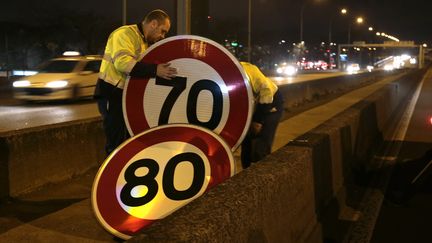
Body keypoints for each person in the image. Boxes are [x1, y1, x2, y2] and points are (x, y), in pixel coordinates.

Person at [94, 9, 177, 155]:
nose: (162, 36)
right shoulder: (124, 34)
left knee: (125, 142)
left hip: (123, 95)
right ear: (153, 24)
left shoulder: (143, 41)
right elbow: (123, 64)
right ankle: (112, 175)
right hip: (112, 93)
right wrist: (155, 70)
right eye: (162, 31)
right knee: (116, 143)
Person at [240, 62, 284, 169]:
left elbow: (267, 94)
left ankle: (264, 175)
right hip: (251, 105)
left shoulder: (249, 70)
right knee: (246, 144)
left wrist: (258, 121)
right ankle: (245, 175)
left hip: (271, 104)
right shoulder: (224, 75)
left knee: (261, 144)